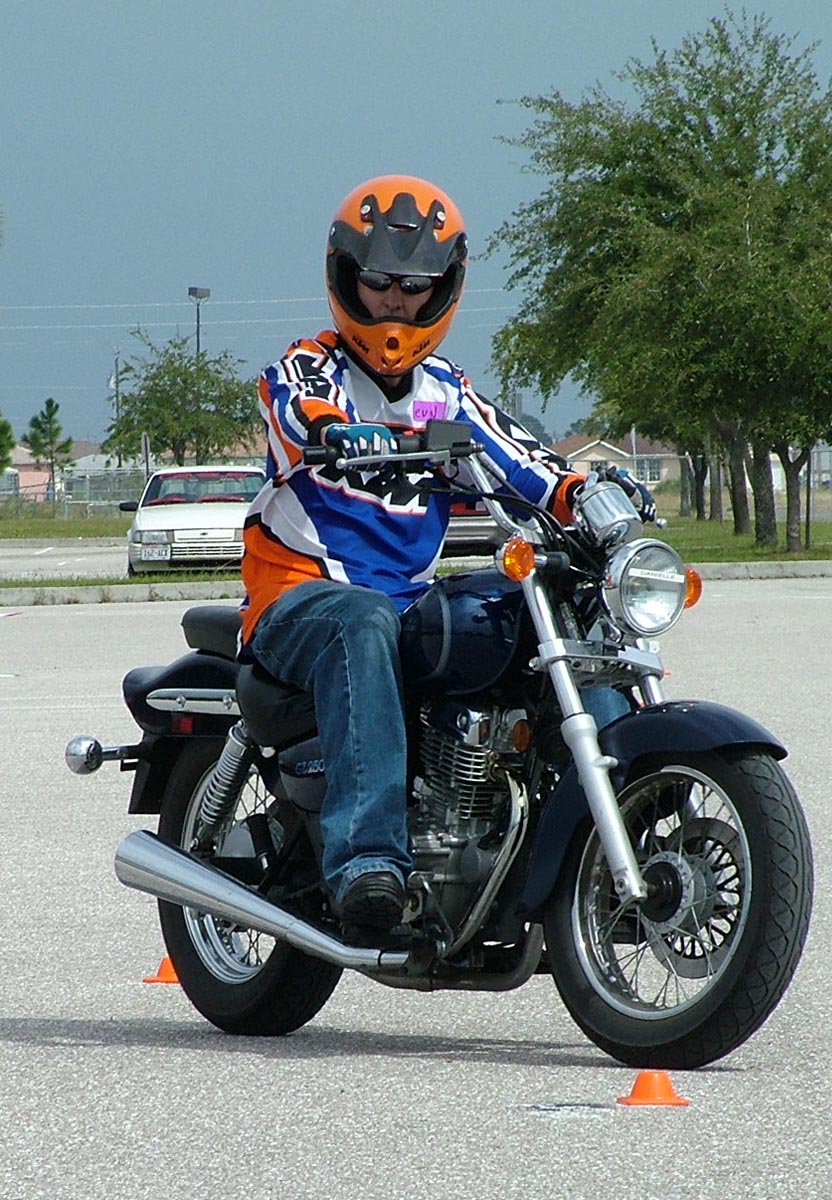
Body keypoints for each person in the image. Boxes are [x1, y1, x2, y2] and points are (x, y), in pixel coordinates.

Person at [239, 174, 655, 940]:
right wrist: (336, 431)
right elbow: (294, 407)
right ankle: (367, 860)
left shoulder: (443, 394)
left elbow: (522, 463)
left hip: (403, 605)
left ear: (445, 288)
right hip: (297, 597)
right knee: (361, 619)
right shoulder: (312, 367)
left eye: (416, 286)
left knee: (545, 608)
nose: (395, 303)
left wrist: (584, 494)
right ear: (345, 277)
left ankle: (611, 834)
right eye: (379, 282)